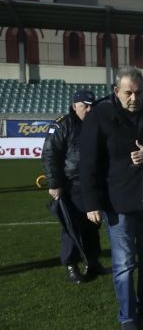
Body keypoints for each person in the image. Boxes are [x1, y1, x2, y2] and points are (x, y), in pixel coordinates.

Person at [80, 66, 143, 330]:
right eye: (129, 93)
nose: (134, 98)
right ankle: (127, 316)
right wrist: (91, 203)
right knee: (123, 264)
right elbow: (88, 163)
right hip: (117, 203)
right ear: (116, 91)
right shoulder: (100, 115)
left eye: (139, 92)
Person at [41, 89, 103, 283]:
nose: (89, 109)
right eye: (85, 106)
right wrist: (55, 183)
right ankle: (71, 265)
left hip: (93, 183)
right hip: (71, 184)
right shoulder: (63, 125)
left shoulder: (97, 124)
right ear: (75, 105)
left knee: (93, 224)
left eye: (92, 105)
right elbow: (49, 155)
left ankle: (93, 261)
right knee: (72, 226)